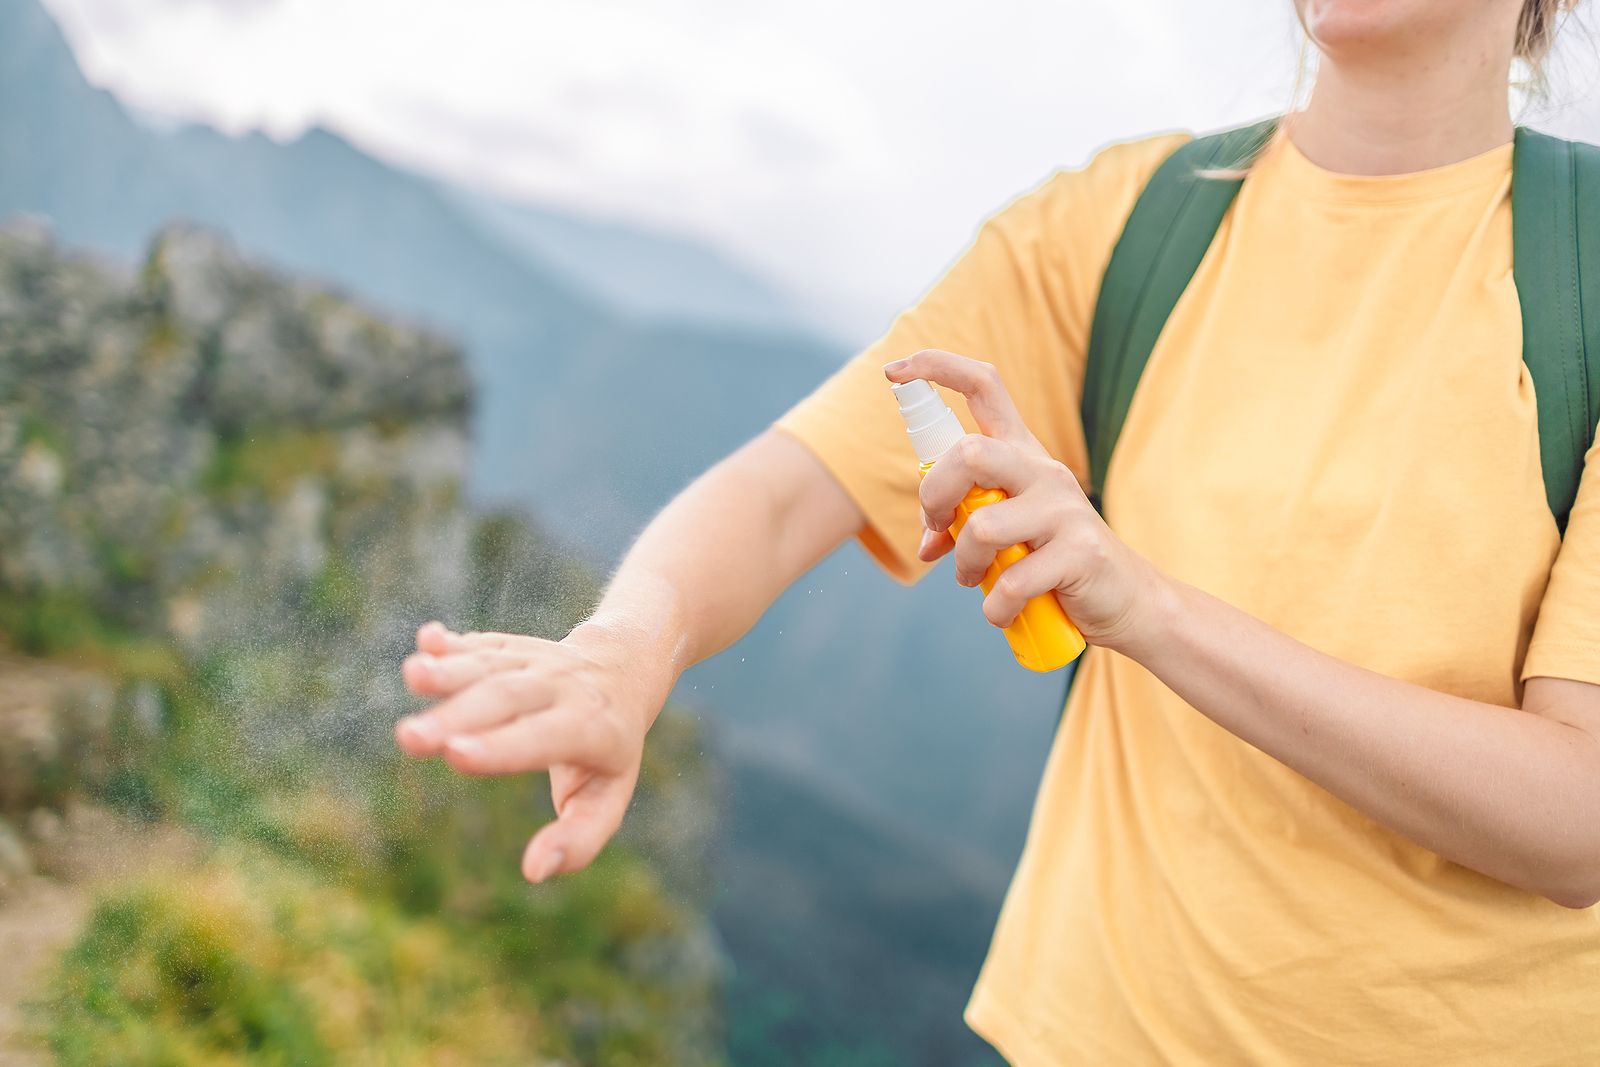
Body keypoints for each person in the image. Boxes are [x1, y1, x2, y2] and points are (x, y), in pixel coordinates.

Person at [395, 0, 1600, 1061]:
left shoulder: (1580, 276)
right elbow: (785, 487)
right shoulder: (1125, 223)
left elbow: (1575, 817)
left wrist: (1152, 610)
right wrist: (625, 652)